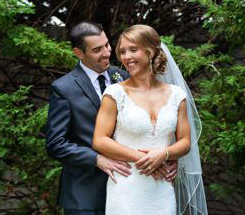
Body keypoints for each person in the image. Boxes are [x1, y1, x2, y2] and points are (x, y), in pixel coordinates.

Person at [45, 22, 177, 214]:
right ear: (79, 53)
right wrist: (97, 159)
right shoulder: (64, 88)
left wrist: (168, 158)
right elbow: (56, 144)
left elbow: (153, 123)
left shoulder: (125, 76)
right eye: (97, 49)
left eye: (107, 45)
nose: (107, 53)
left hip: (131, 188)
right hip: (86, 195)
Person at [92, 24, 208, 215]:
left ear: (151, 51)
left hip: (162, 190)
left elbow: (186, 142)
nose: (126, 57)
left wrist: (163, 155)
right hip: (126, 187)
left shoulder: (176, 94)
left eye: (133, 50)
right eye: (122, 51)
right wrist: (144, 159)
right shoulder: (115, 93)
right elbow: (100, 140)